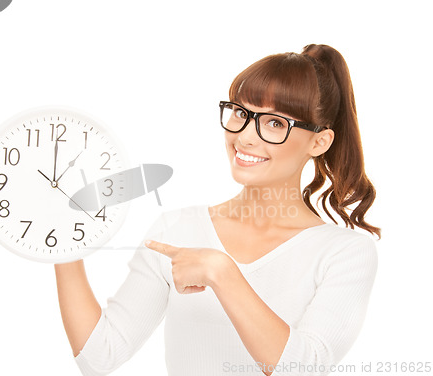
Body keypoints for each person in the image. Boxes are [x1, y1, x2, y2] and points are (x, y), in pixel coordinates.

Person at [54, 44, 380, 376]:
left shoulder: (345, 253)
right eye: (241, 113)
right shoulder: (176, 229)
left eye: (275, 123)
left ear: (319, 142)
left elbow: (302, 368)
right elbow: (100, 356)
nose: (246, 137)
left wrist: (222, 273)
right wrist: (60, 236)